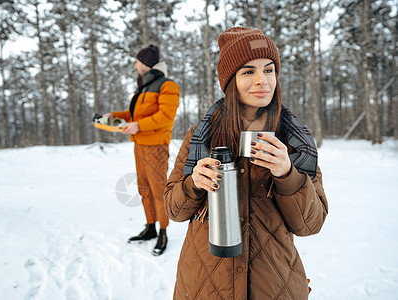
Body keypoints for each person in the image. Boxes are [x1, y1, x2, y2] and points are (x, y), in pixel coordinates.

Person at [164, 27, 328, 299]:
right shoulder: (200, 137)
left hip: (274, 286)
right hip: (205, 285)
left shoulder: (293, 140)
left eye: (269, 69)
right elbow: (173, 209)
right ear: (230, 81)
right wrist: (193, 184)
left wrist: (287, 174)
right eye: (248, 72)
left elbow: (310, 225)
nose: (262, 80)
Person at [103, 45, 180, 256]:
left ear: (146, 63)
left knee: (158, 190)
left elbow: (166, 116)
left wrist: (139, 125)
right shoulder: (144, 87)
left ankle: (163, 231)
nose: (135, 65)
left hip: (156, 146)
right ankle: (150, 227)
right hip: (139, 146)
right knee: (144, 189)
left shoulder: (167, 85)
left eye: (137, 61)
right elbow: (132, 114)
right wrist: (115, 115)